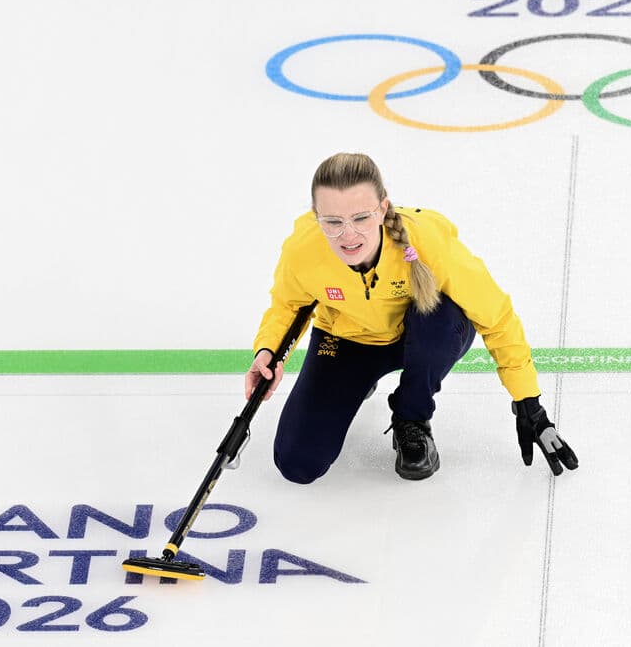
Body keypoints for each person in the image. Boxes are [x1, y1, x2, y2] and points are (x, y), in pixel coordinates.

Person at [246, 152, 577, 483]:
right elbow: (287, 307)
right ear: (316, 216)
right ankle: (354, 383)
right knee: (297, 463)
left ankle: (411, 417)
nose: (348, 235)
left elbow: (496, 316)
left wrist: (528, 402)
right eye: (333, 222)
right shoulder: (303, 250)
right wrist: (268, 352)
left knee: (441, 317)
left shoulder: (427, 242)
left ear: (382, 209)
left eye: (360, 218)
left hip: (422, 336)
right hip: (347, 340)